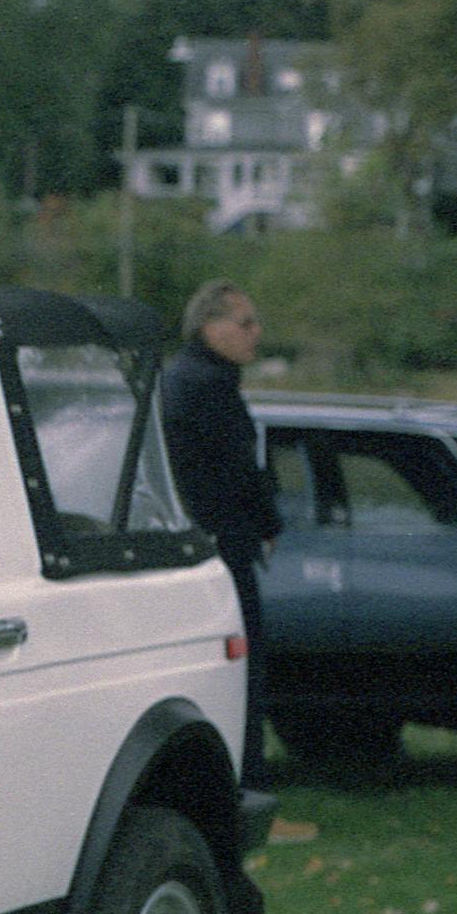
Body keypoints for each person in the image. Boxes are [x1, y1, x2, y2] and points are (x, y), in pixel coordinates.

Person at [159, 279, 281, 787]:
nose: (257, 332)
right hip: (222, 546)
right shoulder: (206, 385)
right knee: (239, 673)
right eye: (245, 322)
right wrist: (265, 522)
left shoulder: (185, 377)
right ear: (210, 327)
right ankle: (245, 788)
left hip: (197, 544)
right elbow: (234, 471)